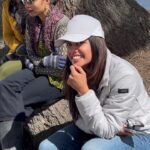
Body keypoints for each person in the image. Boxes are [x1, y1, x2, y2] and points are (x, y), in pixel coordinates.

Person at [39, 15, 150, 150]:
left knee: (92, 148)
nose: (73, 50)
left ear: (96, 43)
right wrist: (111, 127)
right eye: (69, 44)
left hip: (137, 134)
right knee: (46, 147)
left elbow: (107, 130)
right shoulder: (76, 70)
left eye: (80, 42)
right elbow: (83, 119)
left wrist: (84, 92)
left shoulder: (124, 75)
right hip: (95, 125)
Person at [0, 0, 69, 149]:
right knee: (4, 86)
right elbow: (31, 54)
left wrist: (37, 64)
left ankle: (11, 146)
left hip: (57, 80)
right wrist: (44, 62)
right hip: (38, 69)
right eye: (25, 1)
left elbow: (62, 69)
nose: (26, 5)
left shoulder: (62, 24)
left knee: (16, 98)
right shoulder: (31, 21)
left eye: (31, 1)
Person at [0, 0, 27, 80]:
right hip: (18, 50)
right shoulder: (7, 5)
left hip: (34, 54)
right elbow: (7, 35)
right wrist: (18, 47)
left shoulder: (32, 4)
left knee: (4, 72)